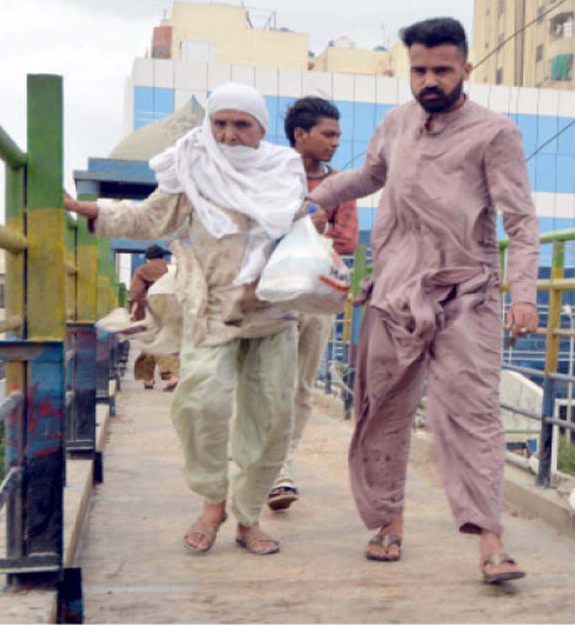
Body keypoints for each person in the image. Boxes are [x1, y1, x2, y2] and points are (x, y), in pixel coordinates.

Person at [301, 17, 540, 584]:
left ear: (465, 69)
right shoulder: (396, 123)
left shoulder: (495, 133)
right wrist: (313, 200)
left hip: (467, 294)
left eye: (441, 69)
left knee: (471, 414)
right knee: (381, 408)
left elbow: (522, 221)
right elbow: (368, 176)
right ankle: (388, 522)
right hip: (393, 291)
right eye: (419, 70)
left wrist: (524, 294)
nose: (429, 80)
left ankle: (491, 541)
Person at [65, 82, 307, 555]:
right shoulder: (192, 165)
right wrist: (95, 211)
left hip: (273, 312)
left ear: (260, 128)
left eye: (242, 124)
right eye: (220, 123)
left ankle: (248, 516)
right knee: (198, 403)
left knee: (272, 417)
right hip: (212, 308)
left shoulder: (284, 169)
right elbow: (151, 218)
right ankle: (212, 501)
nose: (229, 134)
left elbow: (300, 229)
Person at [267, 97, 359, 511]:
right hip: (269, 294)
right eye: (328, 134)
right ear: (300, 135)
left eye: (338, 134)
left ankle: (282, 468)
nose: (335, 142)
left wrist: (316, 231)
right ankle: (265, 465)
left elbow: (348, 240)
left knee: (302, 386)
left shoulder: (341, 185)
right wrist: (300, 223)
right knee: (268, 384)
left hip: (317, 297)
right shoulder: (269, 176)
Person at [130, 244, 180, 391]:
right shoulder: (174, 267)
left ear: (147, 258)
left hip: (156, 303)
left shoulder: (143, 270)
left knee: (156, 339)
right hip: (176, 304)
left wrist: (135, 313)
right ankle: (147, 378)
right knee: (153, 340)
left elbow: (136, 293)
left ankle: (172, 376)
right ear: (163, 256)